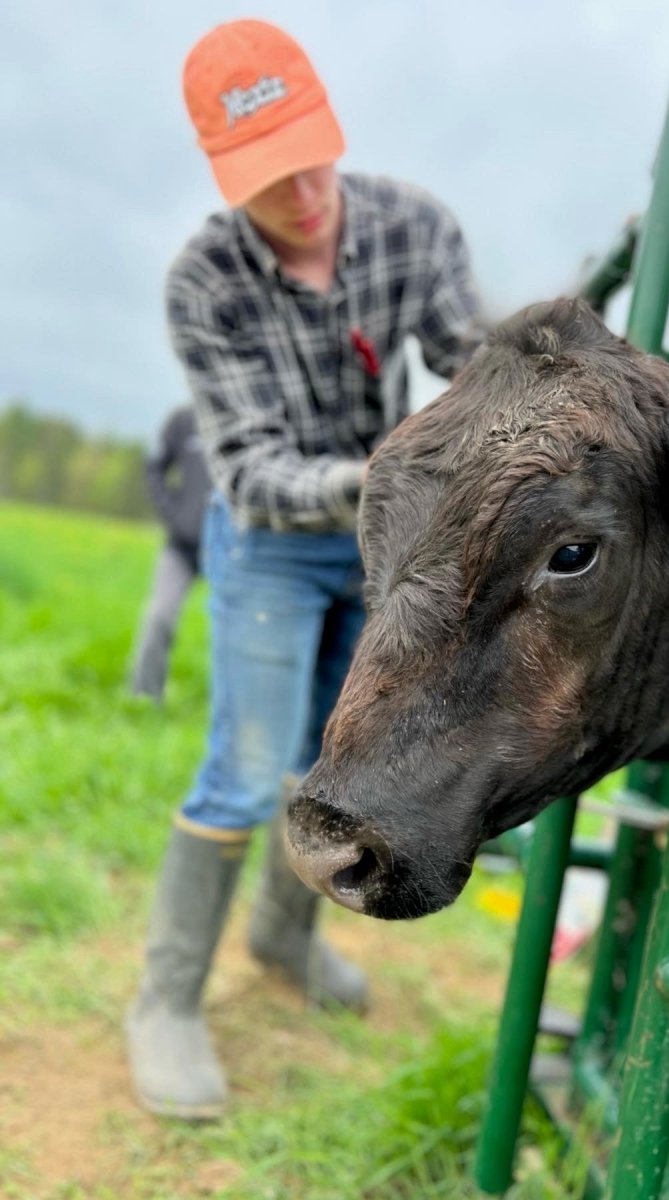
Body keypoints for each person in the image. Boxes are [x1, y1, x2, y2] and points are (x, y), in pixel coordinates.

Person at [126, 18, 483, 1119]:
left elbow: (477, 369)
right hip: (273, 548)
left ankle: (285, 943)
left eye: (310, 151)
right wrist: (392, 475)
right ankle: (168, 1001)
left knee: (340, 764)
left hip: (378, 553)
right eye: (269, 175)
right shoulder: (206, 283)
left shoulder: (413, 228)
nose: (303, 189)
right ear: (226, 174)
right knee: (242, 770)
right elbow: (249, 471)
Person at [129, 405, 212, 701]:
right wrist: (175, 515)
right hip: (181, 547)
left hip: (230, 553)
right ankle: (143, 697)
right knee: (158, 616)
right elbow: (153, 468)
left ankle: (230, 714)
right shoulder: (183, 421)